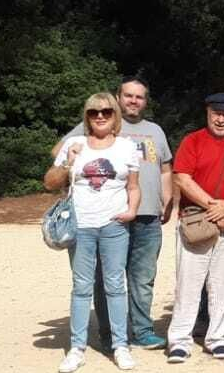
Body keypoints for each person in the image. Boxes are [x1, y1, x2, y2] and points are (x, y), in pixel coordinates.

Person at [55, 78, 174, 350]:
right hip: (110, 216)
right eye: (128, 95)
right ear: (118, 98)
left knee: (142, 277)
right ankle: (109, 334)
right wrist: (70, 160)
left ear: (145, 101)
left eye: (139, 97)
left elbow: (166, 168)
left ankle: (142, 331)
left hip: (147, 215)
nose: (133, 101)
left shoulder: (155, 130)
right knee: (104, 278)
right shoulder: (100, 122)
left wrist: (167, 200)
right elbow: (60, 152)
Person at [45, 93, 142, 373]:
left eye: (106, 111)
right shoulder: (74, 144)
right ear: (87, 117)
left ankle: (120, 345)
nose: (100, 116)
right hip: (81, 225)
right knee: (81, 287)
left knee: (115, 285)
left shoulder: (126, 147)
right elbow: (50, 182)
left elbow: (133, 186)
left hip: (114, 225)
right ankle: (77, 348)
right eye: (93, 112)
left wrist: (132, 211)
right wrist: (68, 162)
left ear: (115, 116)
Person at [166, 93, 224, 363]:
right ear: (208, 113)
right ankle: (180, 339)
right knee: (188, 282)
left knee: (222, 283)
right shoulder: (193, 140)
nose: (221, 119)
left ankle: (217, 337)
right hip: (196, 221)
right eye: (216, 113)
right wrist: (215, 208)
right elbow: (182, 178)